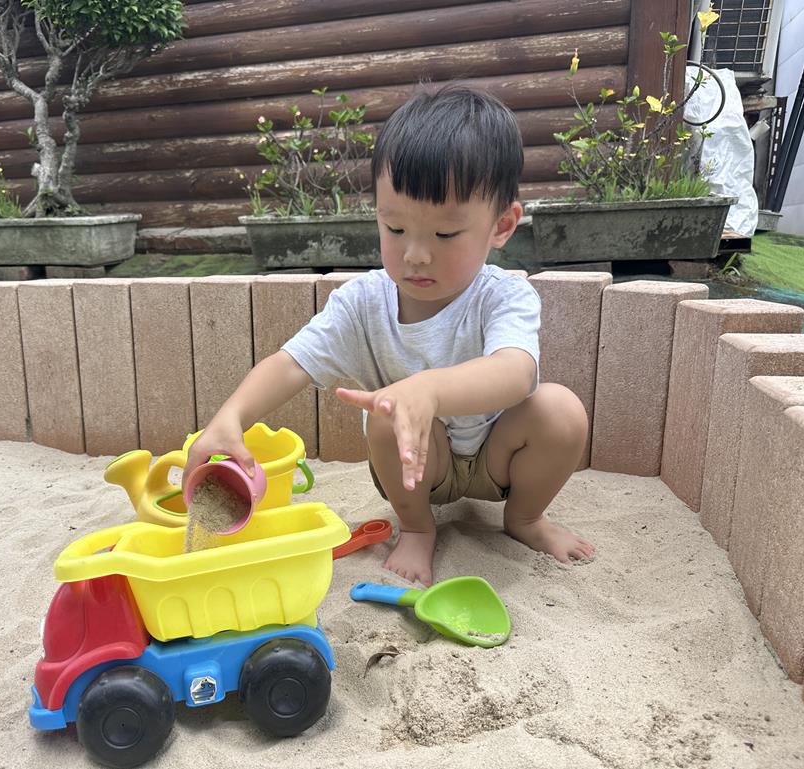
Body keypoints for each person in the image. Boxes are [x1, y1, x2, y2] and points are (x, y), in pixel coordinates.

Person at [183, 85, 594, 586]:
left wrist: (429, 389)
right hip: (416, 466)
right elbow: (291, 363)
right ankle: (417, 528)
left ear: (501, 226)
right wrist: (230, 418)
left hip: (497, 456)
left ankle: (525, 518)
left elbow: (516, 372)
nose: (416, 254)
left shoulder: (503, 295)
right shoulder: (363, 302)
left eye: (445, 234)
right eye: (395, 229)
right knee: (385, 412)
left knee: (560, 410)